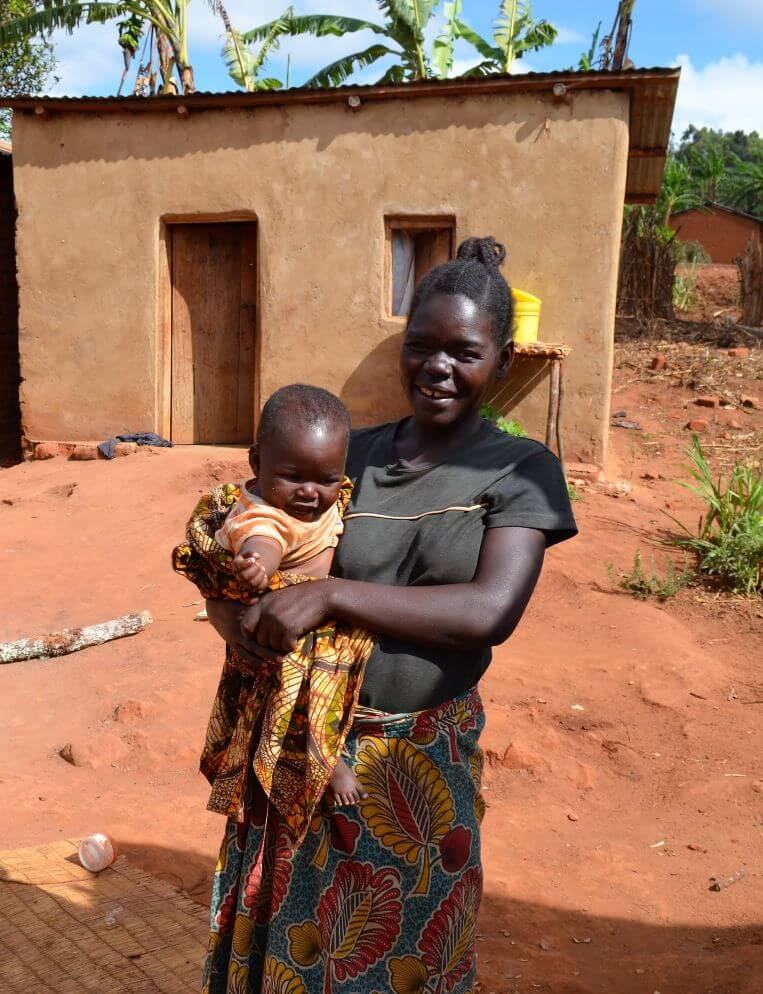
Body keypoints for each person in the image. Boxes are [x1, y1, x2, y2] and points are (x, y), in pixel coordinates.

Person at [200, 236, 577, 994]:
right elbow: (248, 539)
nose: (436, 368)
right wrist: (229, 604)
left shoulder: (521, 469)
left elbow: (489, 610)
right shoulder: (346, 457)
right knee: (296, 946)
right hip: (312, 748)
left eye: (463, 352)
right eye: (420, 348)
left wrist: (335, 594)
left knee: (410, 947)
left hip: (421, 761)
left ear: (502, 362)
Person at [173, 385, 371, 854]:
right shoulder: (263, 516)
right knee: (301, 690)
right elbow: (264, 543)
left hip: (312, 613)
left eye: (326, 478)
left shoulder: (325, 493)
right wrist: (257, 567)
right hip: (286, 624)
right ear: (257, 463)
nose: (309, 491)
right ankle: (327, 762)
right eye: (293, 477)